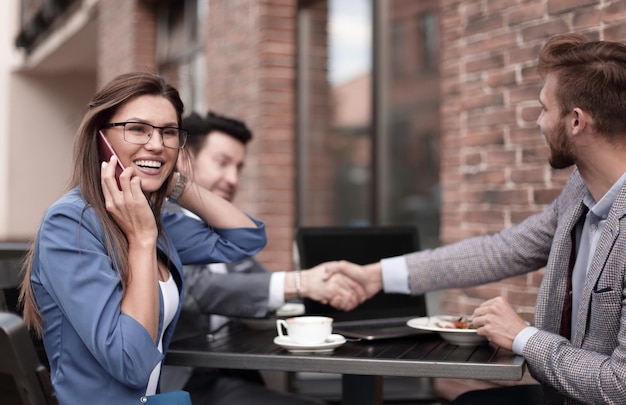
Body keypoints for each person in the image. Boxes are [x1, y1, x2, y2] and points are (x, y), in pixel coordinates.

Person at [325, 33, 626, 404]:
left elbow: (619, 384)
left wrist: (522, 337)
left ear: (577, 121)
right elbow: (504, 250)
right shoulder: (581, 189)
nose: (538, 122)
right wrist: (376, 276)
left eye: (544, 109)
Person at [18, 72, 267, 404]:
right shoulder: (70, 224)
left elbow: (246, 238)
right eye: (137, 129)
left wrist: (176, 184)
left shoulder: (152, 221)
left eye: (169, 132)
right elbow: (131, 363)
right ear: (100, 137)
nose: (156, 144)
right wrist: (142, 241)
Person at [161, 111, 364, 404]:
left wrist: (332, 290)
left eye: (239, 167)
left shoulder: (224, 232)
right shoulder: (162, 221)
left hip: (231, 368)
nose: (233, 178)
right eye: (222, 162)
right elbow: (196, 290)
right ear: (184, 158)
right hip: (181, 381)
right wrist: (300, 282)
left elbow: (259, 285)